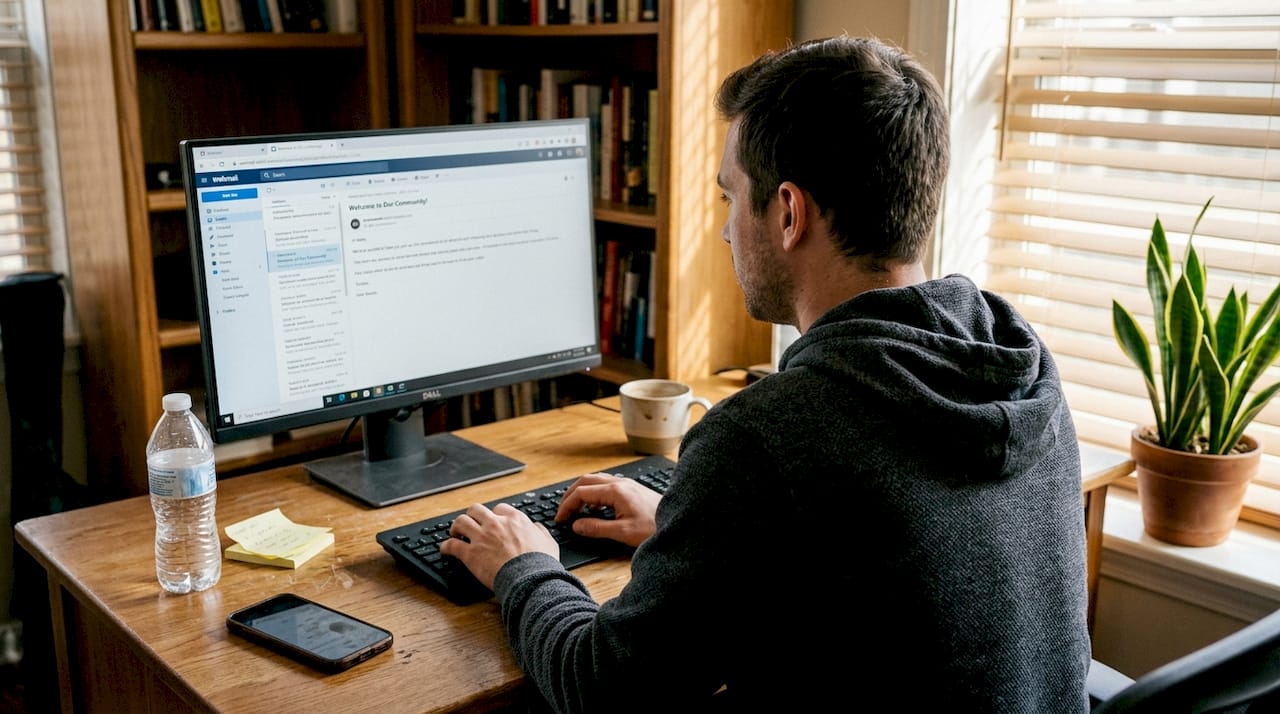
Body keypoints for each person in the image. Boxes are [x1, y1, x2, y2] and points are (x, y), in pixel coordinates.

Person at [440, 35, 1090, 712]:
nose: (725, 231)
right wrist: (683, 526)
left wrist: (522, 565)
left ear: (787, 212)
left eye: (730, 196)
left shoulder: (767, 437)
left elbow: (603, 690)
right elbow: (876, 563)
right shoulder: (1022, 367)